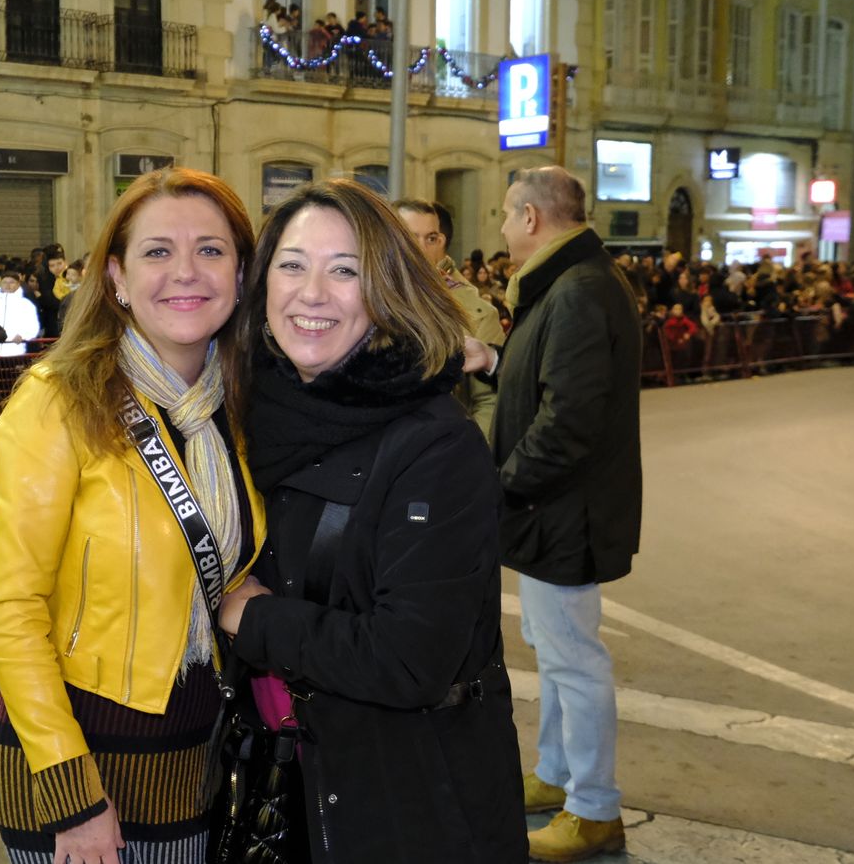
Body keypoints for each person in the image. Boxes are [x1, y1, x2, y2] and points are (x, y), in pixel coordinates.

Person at [215, 179, 525, 862]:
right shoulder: (251, 416)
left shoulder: (434, 444)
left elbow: (411, 658)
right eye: (292, 265)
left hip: (413, 796)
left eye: (345, 270)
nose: (312, 292)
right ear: (261, 285)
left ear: (387, 290)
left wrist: (252, 618)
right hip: (290, 780)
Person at [0, 166, 267, 864]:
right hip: (78, 763)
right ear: (115, 277)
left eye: (211, 249)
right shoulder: (59, 399)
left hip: (193, 753)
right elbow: (11, 607)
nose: (185, 272)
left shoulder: (242, 406)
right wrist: (74, 794)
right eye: (158, 251)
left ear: (241, 273)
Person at [483, 166, 642, 862]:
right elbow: (543, 383)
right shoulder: (571, 285)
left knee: (574, 659)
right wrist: (490, 360)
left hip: (563, 511)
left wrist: (501, 488)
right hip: (553, 508)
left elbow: (568, 421)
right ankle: (555, 775)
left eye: (504, 215)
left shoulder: (577, 292)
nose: (500, 228)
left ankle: (594, 807)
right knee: (555, 653)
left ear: (530, 219)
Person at [397, 198, 506, 437]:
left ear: (441, 242)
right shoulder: (357, 301)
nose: (421, 247)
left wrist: (466, 457)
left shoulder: (476, 313)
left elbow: (489, 401)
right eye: (410, 236)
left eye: (431, 238)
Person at [0, 271, 41, 357]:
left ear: (18, 284)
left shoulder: (26, 304)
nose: (8, 285)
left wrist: (23, 335)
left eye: (12, 282)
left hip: (17, 351)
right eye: (5, 282)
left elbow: (33, 326)